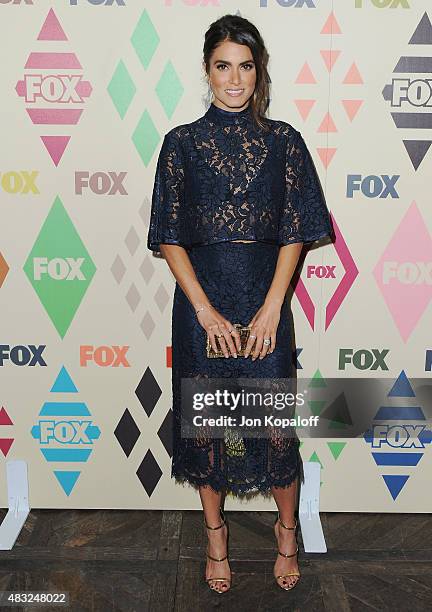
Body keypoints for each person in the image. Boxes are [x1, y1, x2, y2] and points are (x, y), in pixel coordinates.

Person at [147, 14, 333, 595]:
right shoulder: (180, 143)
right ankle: (216, 539)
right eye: (223, 65)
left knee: (273, 424)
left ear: (260, 72)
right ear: (207, 70)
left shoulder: (285, 142)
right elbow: (169, 236)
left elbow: (296, 230)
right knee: (207, 427)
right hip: (202, 307)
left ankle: (286, 533)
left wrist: (275, 306)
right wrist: (204, 312)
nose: (234, 78)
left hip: (264, 301)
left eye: (245, 66)